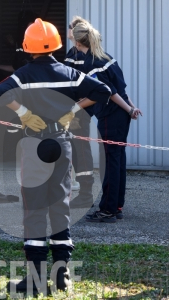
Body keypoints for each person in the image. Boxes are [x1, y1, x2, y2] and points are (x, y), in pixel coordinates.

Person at [0, 18, 112, 296]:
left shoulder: (23, 74)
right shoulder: (70, 73)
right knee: (60, 206)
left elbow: (0, 91)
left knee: (34, 209)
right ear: (57, 46)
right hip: (62, 144)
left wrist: (24, 114)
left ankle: (35, 278)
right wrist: (73, 110)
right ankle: (63, 276)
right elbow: (103, 91)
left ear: (28, 47)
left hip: (34, 147)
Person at [71, 21, 143, 223]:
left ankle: (108, 210)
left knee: (110, 163)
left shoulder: (91, 63)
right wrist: (131, 107)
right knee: (118, 160)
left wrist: (75, 106)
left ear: (77, 42)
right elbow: (121, 89)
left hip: (111, 115)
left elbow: (108, 92)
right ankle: (117, 206)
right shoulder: (107, 57)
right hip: (122, 115)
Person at [65, 16, 96, 209]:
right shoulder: (76, 53)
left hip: (78, 112)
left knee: (80, 152)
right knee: (74, 151)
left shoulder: (80, 54)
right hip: (73, 110)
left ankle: (85, 194)